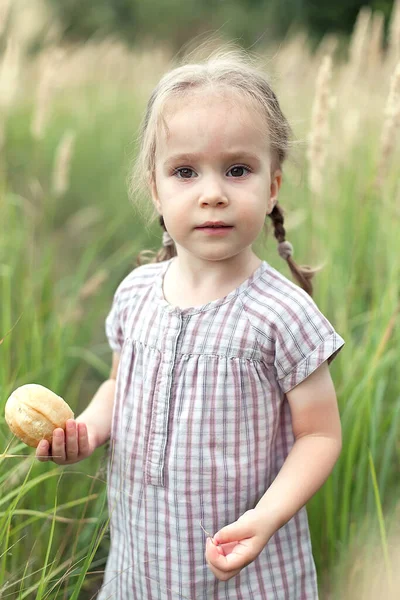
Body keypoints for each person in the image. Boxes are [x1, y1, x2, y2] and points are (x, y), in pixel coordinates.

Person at [36, 48, 345, 599]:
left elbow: (319, 434)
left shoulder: (281, 313)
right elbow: (118, 384)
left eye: (237, 170)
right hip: (142, 570)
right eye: (185, 171)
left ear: (272, 185)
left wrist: (267, 516)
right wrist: (87, 431)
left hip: (246, 571)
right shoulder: (135, 295)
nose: (212, 193)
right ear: (156, 189)